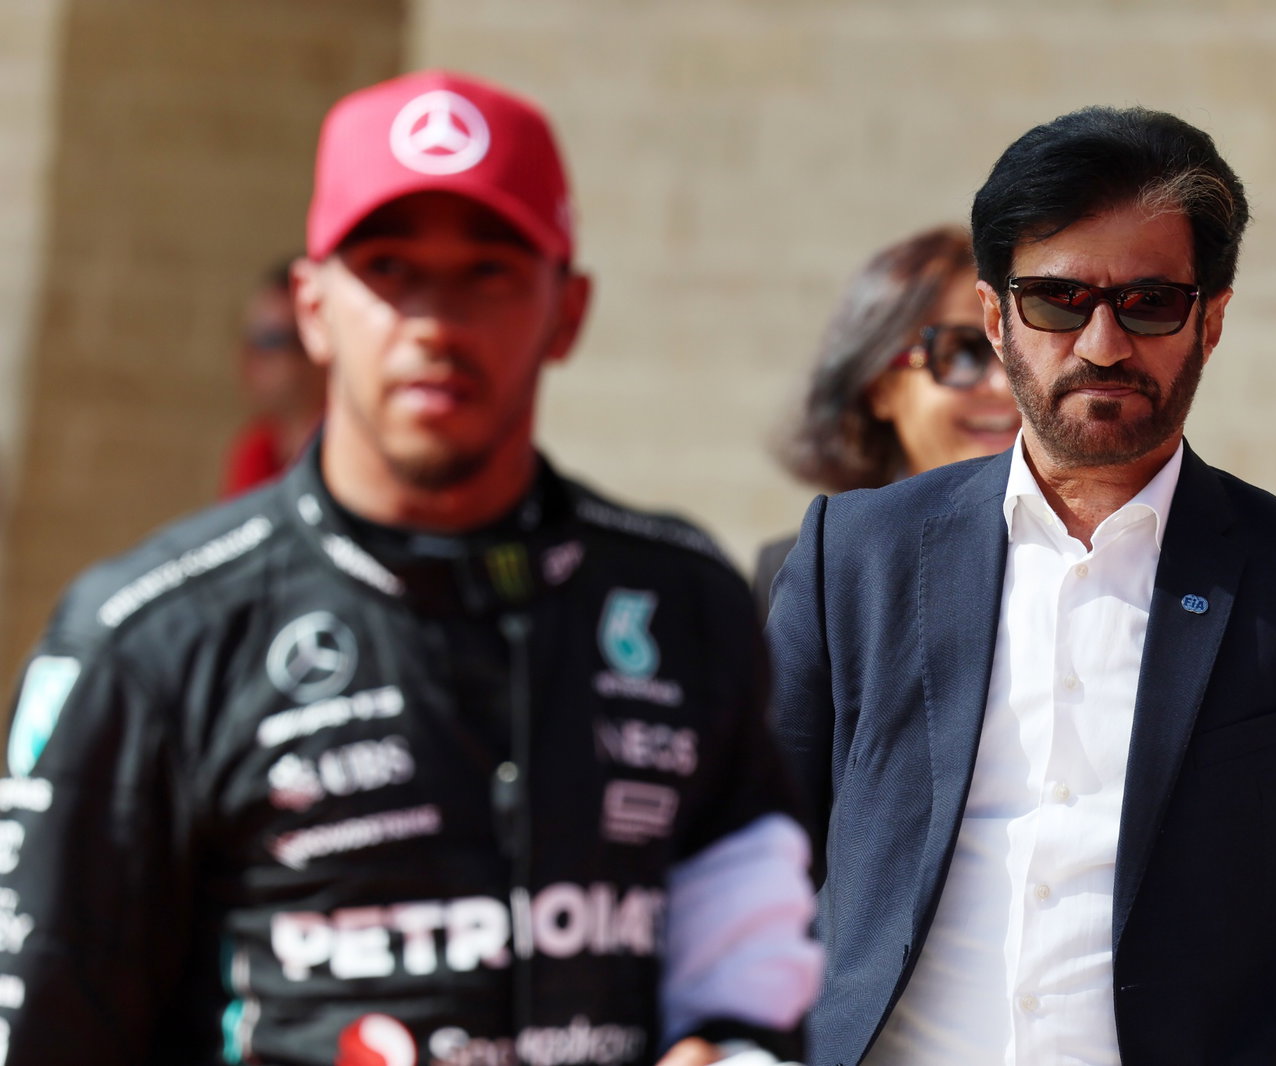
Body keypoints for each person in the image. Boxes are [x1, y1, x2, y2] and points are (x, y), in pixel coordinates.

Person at [0, 70, 819, 1066]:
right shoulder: (148, 637)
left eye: (488, 271)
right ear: (312, 307)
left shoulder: (680, 599)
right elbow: (50, 1024)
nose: (434, 320)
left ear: (568, 312)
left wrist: (729, 1047)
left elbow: (747, 946)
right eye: (388, 268)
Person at [766, 105, 1276, 1066]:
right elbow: (739, 867)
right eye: (1058, 301)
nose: (1102, 344)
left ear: (1209, 321)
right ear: (995, 317)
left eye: (1149, 303)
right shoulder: (856, 557)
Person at [754, 225, 1019, 618]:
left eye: (1018, 350)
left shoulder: (1106, 555)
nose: (1005, 385)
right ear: (878, 386)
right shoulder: (806, 575)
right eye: (961, 353)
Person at [220, 259, 328, 496]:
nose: (249, 356)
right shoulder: (260, 450)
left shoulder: (354, 454)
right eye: (250, 339)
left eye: (269, 340)